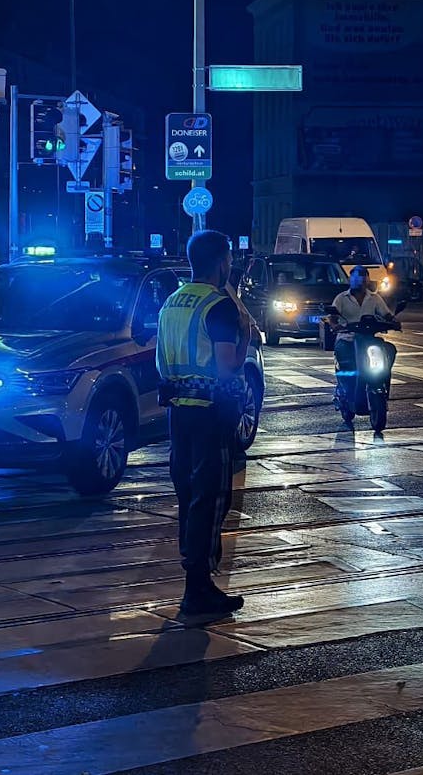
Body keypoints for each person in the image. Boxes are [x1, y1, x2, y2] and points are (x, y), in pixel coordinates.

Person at [156, 230, 252, 618]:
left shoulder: (173, 302)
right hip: (212, 413)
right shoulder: (220, 306)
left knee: (188, 496)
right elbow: (228, 364)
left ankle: (194, 583)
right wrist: (246, 338)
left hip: (179, 413)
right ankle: (198, 589)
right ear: (222, 261)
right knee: (211, 499)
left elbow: (161, 361)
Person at [330, 266, 395, 414]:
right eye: (355, 278)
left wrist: (394, 321)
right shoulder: (341, 298)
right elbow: (332, 318)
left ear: (367, 280)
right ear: (350, 280)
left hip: (368, 339)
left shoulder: (374, 298)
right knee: (346, 364)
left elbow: (386, 314)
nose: (359, 282)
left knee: (390, 349)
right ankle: (345, 390)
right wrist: (335, 325)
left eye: (362, 278)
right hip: (347, 339)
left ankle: (383, 385)